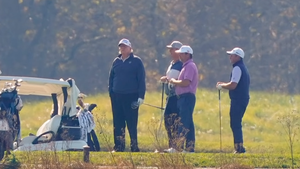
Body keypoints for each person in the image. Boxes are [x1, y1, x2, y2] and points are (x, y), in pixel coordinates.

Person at [108, 38, 146, 152]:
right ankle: (119, 146)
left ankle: (134, 146)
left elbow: (141, 80)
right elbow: (111, 78)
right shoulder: (116, 61)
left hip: (131, 96)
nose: (122, 48)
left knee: (131, 122)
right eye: (121, 46)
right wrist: (111, 93)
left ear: (130, 48)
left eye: (124, 46)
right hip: (117, 96)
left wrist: (141, 96)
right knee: (118, 122)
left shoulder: (136, 61)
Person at [216, 47, 250, 153]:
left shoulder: (237, 68)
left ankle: (239, 148)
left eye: (232, 55)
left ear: (238, 57)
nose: (230, 57)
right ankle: (238, 147)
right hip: (242, 99)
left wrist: (222, 86)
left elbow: (233, 85)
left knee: (235, 123)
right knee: (236, 122)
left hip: (238, 99)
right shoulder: (241, 67)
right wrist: (224, 84)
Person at [167, 45, 198, 153]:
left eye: (182, 53)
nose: (179, 55)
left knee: (183, 122)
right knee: (188, 123)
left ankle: (177, 147)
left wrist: (174, 81)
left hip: (187, 97)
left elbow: (186, 82)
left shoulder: (189, 66)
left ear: (187, 54)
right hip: (183, 98)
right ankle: (189, 148)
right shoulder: (185, 66)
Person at [160, 41, 183, 150]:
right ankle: (171, 146)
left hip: (175, 97)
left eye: (172, 49)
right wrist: (165, 79)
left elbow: (179, 79)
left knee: (174, 121)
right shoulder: (172, 64)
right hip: (169, 96)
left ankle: (176, 146)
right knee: (168, 121)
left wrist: (168, 79)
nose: (170, 51)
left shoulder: (181, 64)